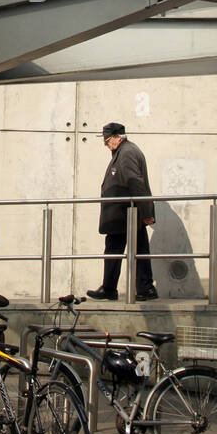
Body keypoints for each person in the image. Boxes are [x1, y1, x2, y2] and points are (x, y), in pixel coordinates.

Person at [87, 121, 157, 301]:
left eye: (107, 139)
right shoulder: (124, 151)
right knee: (135, 251)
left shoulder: (126, 153)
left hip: (125, 214)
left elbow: (135, 182)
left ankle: (119, 288)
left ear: (118, 137)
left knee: (117, 251)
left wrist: (146, 212)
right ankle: (142, 288)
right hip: (125, 214)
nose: (105, 143)